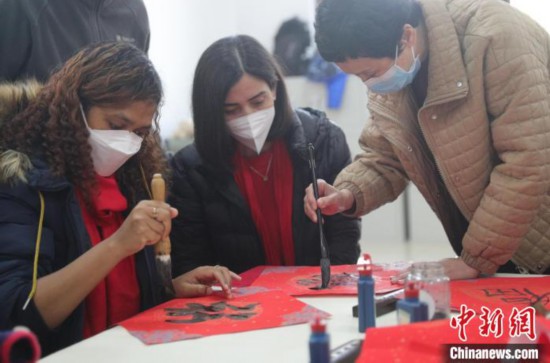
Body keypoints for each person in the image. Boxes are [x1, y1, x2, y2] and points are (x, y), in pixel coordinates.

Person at [0, 42, 239, 356]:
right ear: (73, 107)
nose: (126, 143)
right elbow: (18, 312)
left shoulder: (133, 175)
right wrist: (117, 245)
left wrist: (170, 289)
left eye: (139, 132)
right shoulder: (24, 181)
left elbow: (120, 297)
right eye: (116, 126)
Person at [305, 0, 550, 279]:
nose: (367, 84)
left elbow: (527, 161)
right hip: (492, 248)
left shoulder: (496, 35)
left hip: (536, 241)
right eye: (357, 76)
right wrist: (347, 193)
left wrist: (475, 260)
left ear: (406, 36)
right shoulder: (395, 64)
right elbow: (385, 155)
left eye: (369, 73)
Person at [169, 35, 361, 275]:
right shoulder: (191, 168)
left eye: (258, 102)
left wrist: (327, 288)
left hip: (318, 295)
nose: (248, 116)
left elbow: (343, 234)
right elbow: (192, 261)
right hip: (240, 306)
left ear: (275, 89)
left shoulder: (323, 140)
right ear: (212, 112)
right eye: (232, 110)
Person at [0, 0, 150, 82]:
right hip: (33, 135)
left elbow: (140, 96)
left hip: (114, 138)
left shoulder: (135, 12)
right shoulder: (20, 4)